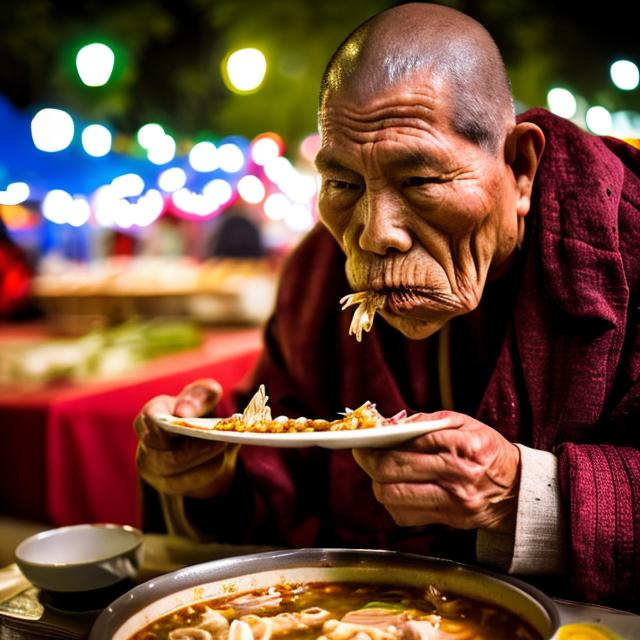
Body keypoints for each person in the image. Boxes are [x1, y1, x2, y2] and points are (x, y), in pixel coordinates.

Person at [134, 2, 640, 609]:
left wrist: (524, 497)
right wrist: (214, 478)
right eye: (344, 185)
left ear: (520, 169)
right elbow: (286, 468)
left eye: (421, 181)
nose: (376, 234)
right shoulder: (317, 273)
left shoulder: (628, 239)